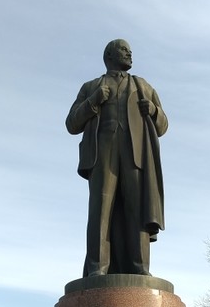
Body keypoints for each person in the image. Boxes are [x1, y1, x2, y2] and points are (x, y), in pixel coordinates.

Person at [66, 39, 168, 277]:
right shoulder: (91, 86)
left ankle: (140, 268)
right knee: (100, 210)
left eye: (130, 50)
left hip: (136, 155)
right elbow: (72, 124)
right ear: (109, 55)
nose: (130, 53)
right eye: (124, 50)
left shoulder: (143, 86)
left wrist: (153, 110)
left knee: (138, 210)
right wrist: (93, 101)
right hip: (102, 155)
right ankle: (97, 268)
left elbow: (163, 126)